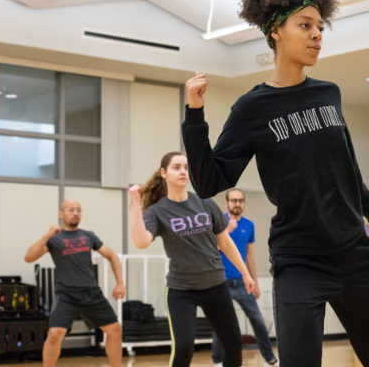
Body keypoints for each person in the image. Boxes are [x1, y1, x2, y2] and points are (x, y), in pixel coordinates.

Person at [182, 0, 369, 366]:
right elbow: (208, 181)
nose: (316, 35)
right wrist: (195, 114)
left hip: (354, 253)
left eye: (320, 27)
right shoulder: (252, 109)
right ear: (275, 31)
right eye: (305, 25)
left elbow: (347, 165)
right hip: (299, 261)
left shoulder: (329, 93)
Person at [128, 151, 258, 367]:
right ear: (163, 173)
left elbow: (225, 243)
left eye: (186, 168)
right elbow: (141, 242)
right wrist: (135, 204)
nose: (183, 171)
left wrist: (246, 274)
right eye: (176, 167)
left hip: (216, 286)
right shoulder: (157, 211)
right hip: (182, 290)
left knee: (233, 345)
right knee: (183, 349)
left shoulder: (205, 203)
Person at [24, 199, 125, 367]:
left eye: (79, 210)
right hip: (66, 294)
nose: (76, 213)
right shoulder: (54, 239)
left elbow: (112, 256)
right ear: (61, 213)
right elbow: (29, 257)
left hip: (91, 292)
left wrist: (120, 283)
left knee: (115, 330)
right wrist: (48, 235)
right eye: (71, 210)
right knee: (54, 334)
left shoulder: (89, 236)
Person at [212, 188, 278, 367]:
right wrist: (226, 230)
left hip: (242, 282)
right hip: (221, 282)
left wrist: (254, 281)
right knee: (220, 324)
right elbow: (211, 249)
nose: (237, 204)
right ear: (226, 203)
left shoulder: (249, 225)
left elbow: (249, 255)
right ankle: (217, 361)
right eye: (234, 200)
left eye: (240, 200)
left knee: (258, 321)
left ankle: (270, 358)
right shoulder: (218, 222)